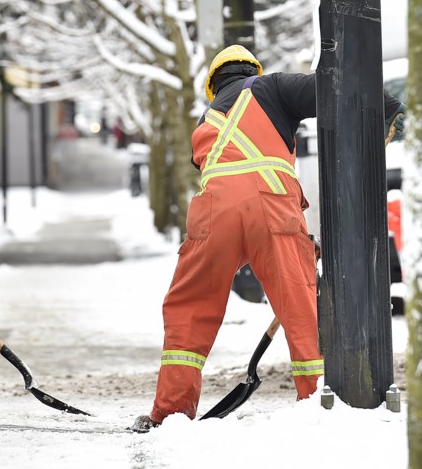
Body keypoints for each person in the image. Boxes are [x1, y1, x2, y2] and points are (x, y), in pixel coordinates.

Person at [132, 45, 405, 432]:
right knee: (300, 309)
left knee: (189, 309)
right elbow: (336, 85)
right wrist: (389, 106)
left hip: (211, 209)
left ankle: (170, 412)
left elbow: (229, 199)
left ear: (214, 85)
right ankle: (320, 401)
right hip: (272, 207)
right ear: (251, 71)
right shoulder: (272, 87)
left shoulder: (204, 119)